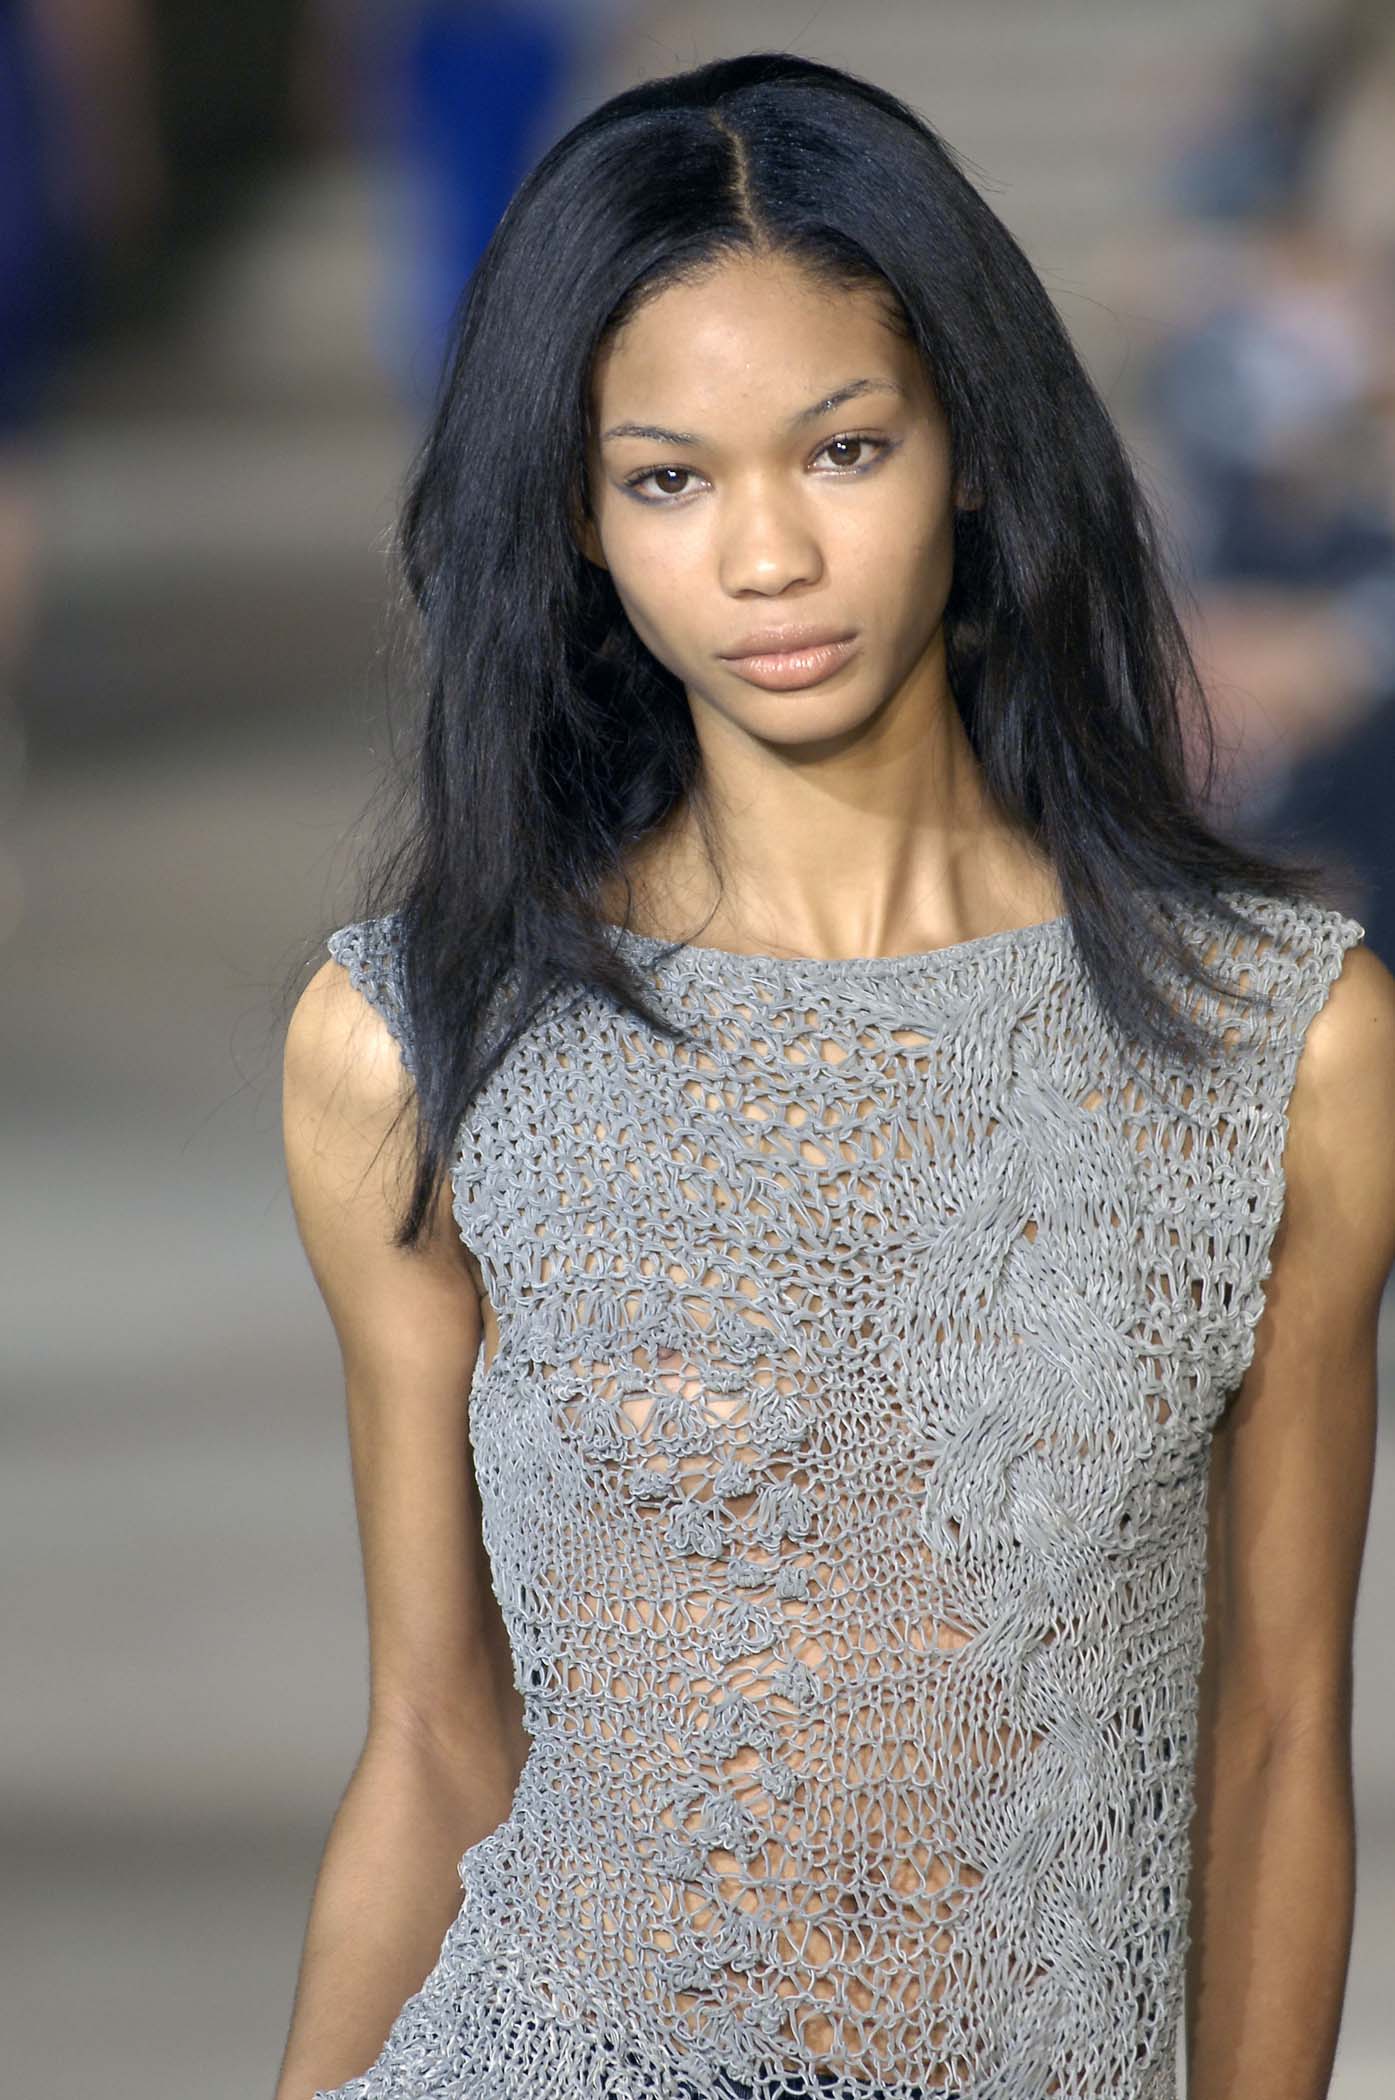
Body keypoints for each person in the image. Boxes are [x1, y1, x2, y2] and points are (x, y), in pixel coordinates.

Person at [274, 51, 1395, 2100]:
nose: (767, 555)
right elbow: (432, 1735)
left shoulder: (1274, 1038)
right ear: (580, 520)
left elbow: (1271, 1740)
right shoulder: (422, 1043)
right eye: (667, 480)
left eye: (842, 448)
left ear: (965, 444)